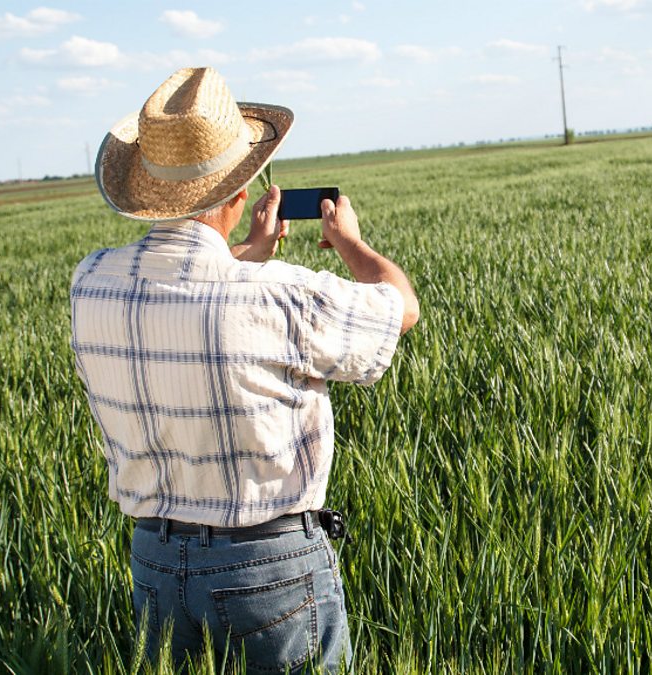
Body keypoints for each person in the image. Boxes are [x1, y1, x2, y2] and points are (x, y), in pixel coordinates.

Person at [70, 66, 419, 672]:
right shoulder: (276, 295)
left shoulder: (91, 282)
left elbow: (184, 292)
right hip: (269, 567)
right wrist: (350, 243)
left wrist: (243, 256)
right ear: (241, 191)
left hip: (154, 563)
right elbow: (400, 308)